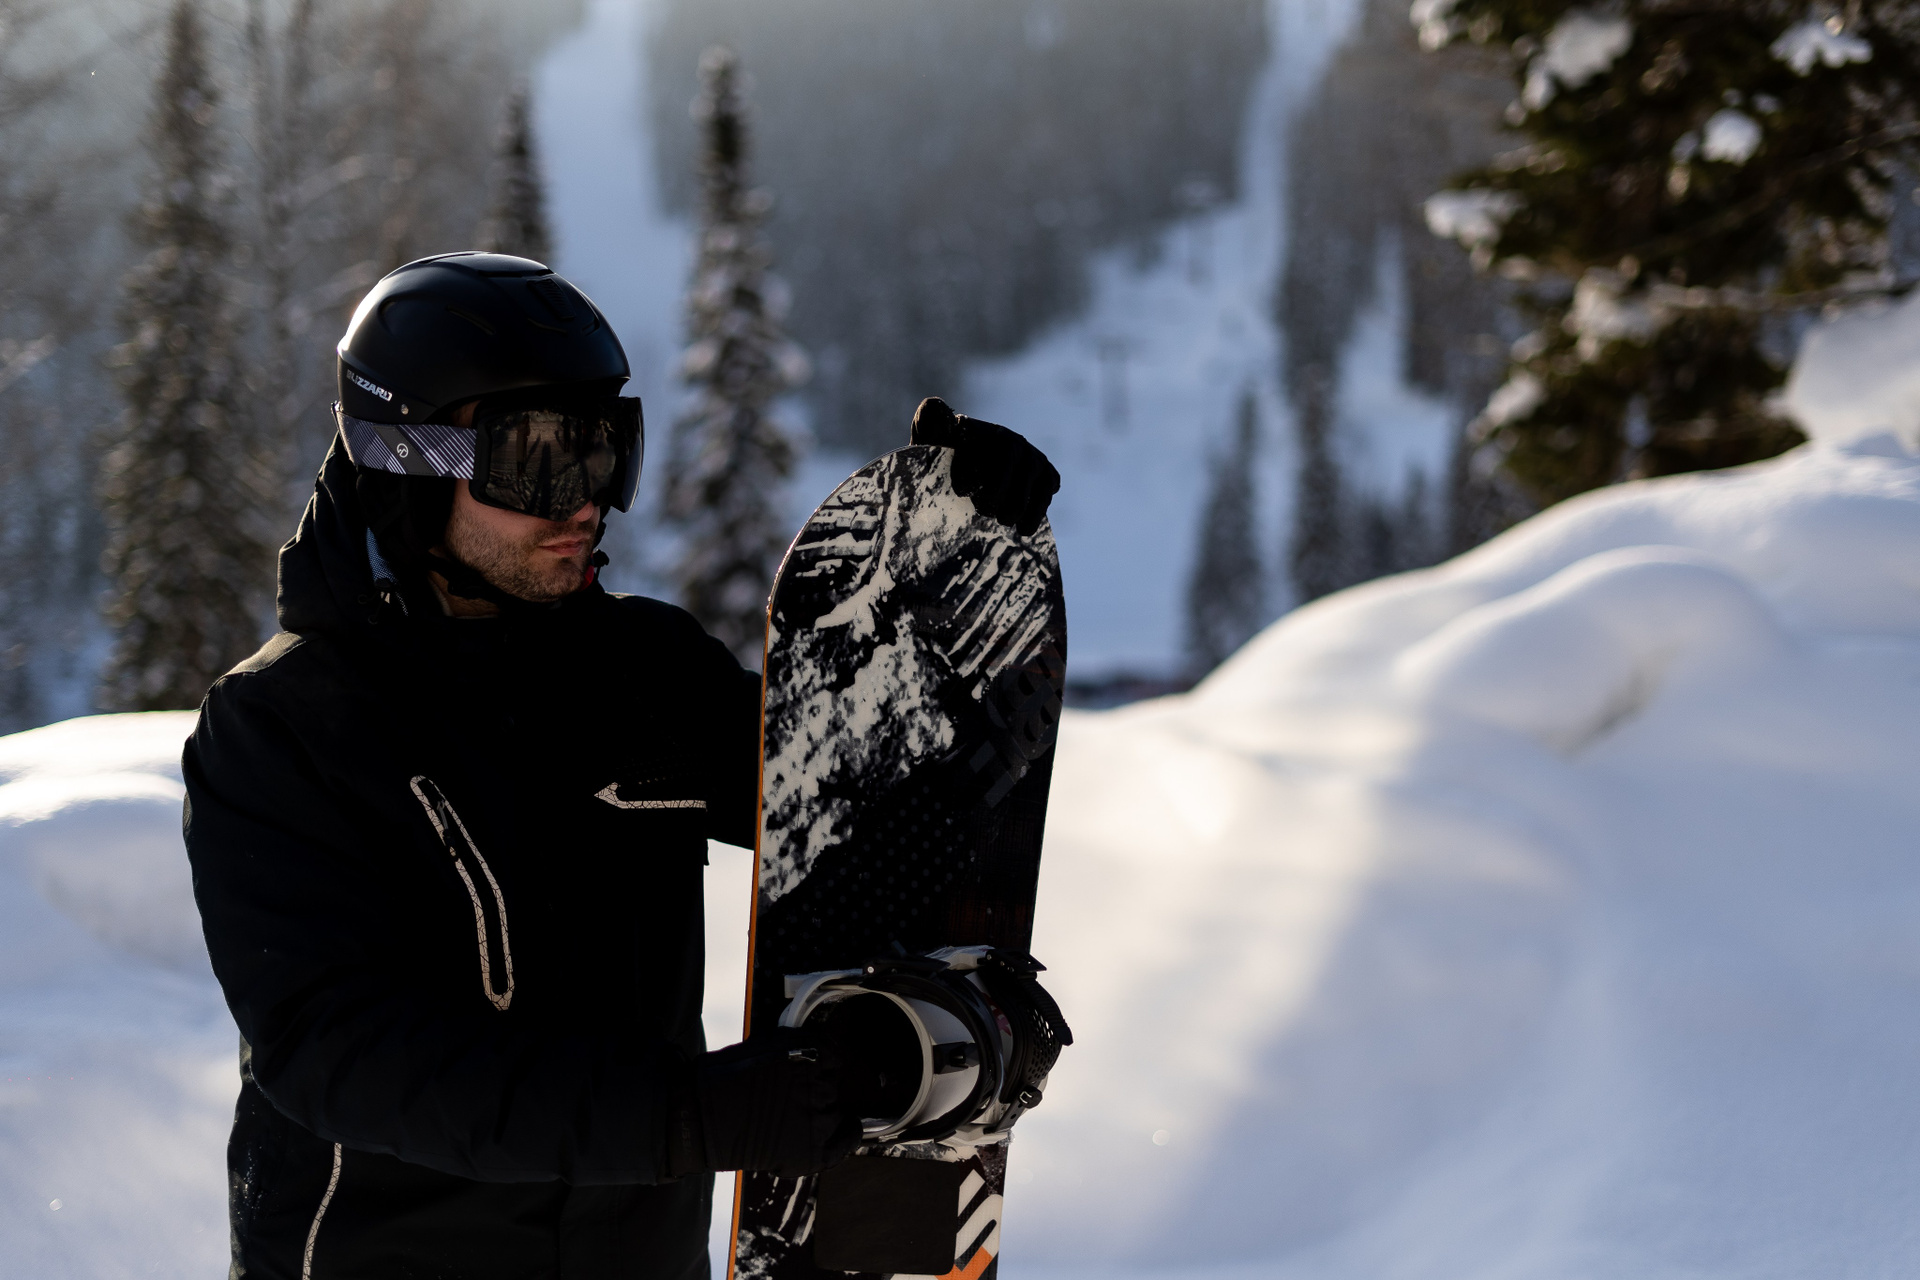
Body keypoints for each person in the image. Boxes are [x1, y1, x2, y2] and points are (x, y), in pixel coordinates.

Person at [182, 252, 1061, 1280]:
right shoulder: (281, 728)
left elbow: (857, 791)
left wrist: (949, 571)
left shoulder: (644, 670)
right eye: (539, 460)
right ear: (405, 464)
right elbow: (343, 1057)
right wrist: (687, 1115)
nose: (585, 503)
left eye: (606, 452)